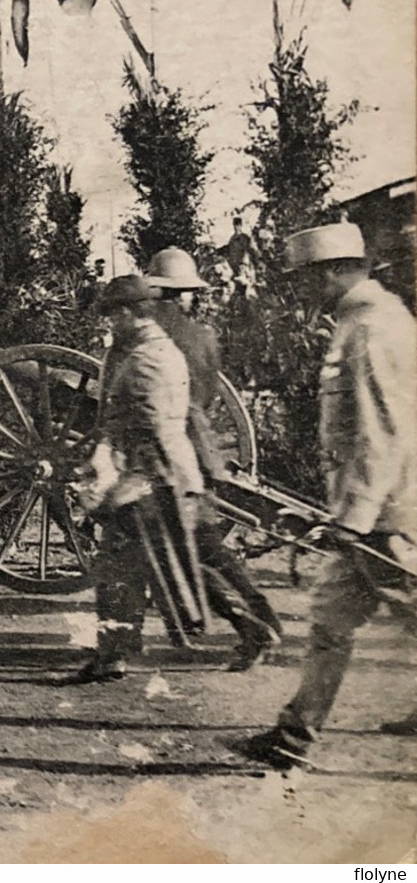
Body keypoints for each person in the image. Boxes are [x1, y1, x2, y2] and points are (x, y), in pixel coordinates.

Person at [237, 223, 417, 770]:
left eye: (305, 279)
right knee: (328, 621)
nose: (299, 291)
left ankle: (294, 734)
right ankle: (293, 735)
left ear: (335, 271)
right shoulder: (363, 321)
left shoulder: (371, 330)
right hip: (370, 510)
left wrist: (356, 516)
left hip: (386, 512)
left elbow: (381, 429)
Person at [145, 247, 282, 670]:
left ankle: (251, 626)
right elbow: (206, 392)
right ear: (185, 294)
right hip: (200, 450)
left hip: (162, 453)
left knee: (174, 549)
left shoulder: (147, 333)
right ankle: (260, 617)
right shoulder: (202, 335)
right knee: (205, 545)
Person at [65, 275, 205, 684]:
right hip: (157, 476)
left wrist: (120, 485)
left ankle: (113, 655)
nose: (110, 324)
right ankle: (115, 652)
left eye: (112, 316)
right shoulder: (156, 349)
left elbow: (150, 431)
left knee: (116, 571)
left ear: (127, 314)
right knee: (126, 571)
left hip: (149, 479)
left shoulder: (146, 359)